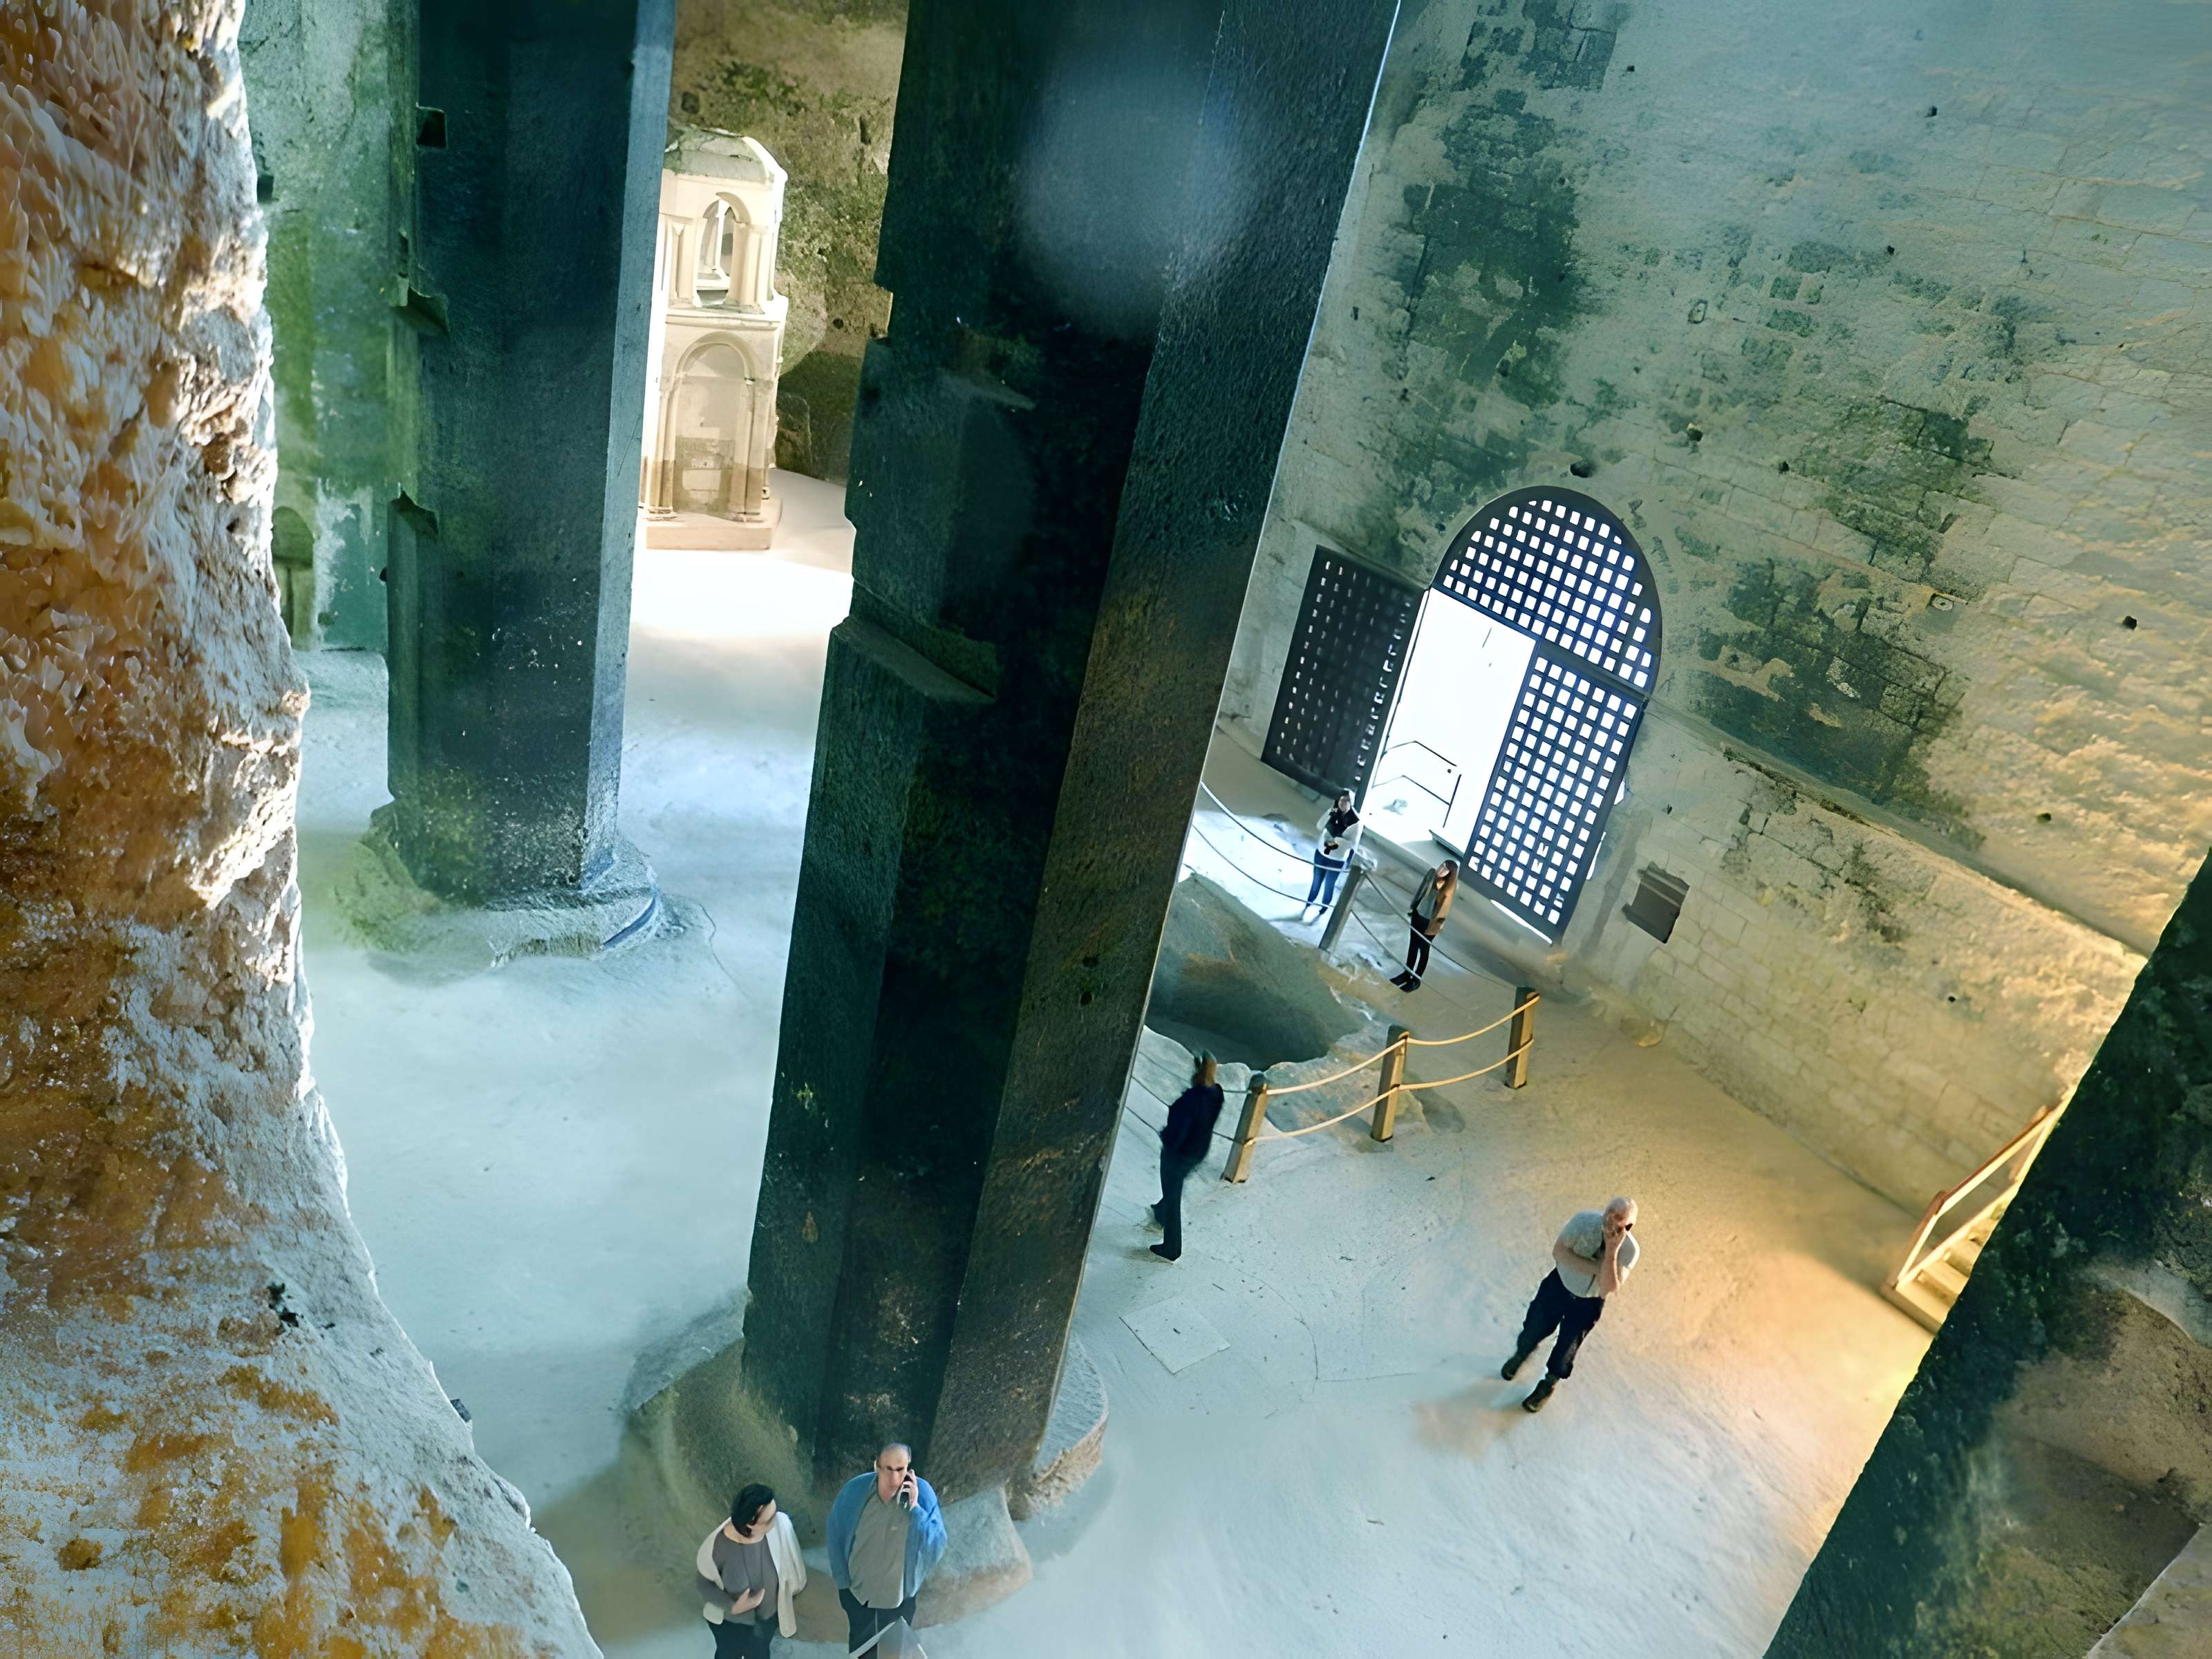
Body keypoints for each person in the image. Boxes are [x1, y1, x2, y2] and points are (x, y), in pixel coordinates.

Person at [1502, 1196, 1640, 1412]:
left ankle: (1549, 1382)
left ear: (1628, 1227)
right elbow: (1559, 1253)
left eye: (1618, 1220)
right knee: (1534, 1325)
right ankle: (1521, 1353)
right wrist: (1598, 1268)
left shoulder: (1629, 1251)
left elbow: (1607, 1288)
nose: (1609, 1222)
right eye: (1608, 1214)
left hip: (1588, 1302)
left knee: (1568, 1346)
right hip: (1559, 1286)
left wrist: (1611, 1253)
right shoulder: (1583, 1221)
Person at [826, 1443, 947, 1655]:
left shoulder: (923, 1493)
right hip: (859, 1596)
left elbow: (936, 1547)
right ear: (877, 1466)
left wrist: (916, 1508)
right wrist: (843, 1584)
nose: (894, 1478)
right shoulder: (855, 1490)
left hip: (899, 1599)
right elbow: (834, 1533)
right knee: (860, 1651)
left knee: (894, 1653)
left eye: (900, 1469)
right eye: (888, 1469)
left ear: (909, 1468)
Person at [694, 1482, 807, 1656]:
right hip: (730, 1625)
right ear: (749, 1524)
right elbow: (703, 1583)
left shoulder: (781, 1523)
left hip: (766, 1621)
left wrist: (789, 1592)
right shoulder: (718, 1546)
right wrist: (732, 1606)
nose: (775, 1521)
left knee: (760, 1653)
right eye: (769, 1520)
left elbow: (794, 1563)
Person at [1149, 1053, 1224, 1263]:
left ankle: (1172, 1247)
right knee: (1174, 1187)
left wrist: (1167, 1139)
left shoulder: (1191, 1100)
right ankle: (1161, 1211)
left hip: (1179, 1154)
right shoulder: (1217, 1095)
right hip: (1198, 1153)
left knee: (1173, 1194)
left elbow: (1178, 1131)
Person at [1391, 859, 1457, 991]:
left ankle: (1416, 979)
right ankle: (1407, 973)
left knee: (1424, 950)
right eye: (1442, 866)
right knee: (1413, 946)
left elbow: (1443, 910)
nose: (1441, 869)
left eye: (1445, 869)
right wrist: (1413, 908)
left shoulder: (1447, 889)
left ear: (1450, 874)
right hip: (1419, 913)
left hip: (1430, 922)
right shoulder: (1432, 875)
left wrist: (1434, 928)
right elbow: (1421, 891)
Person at [1302, 791, 1362, 919]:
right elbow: (1319, 826)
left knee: (1329, 885)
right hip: (1321, 853)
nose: (1343, 803)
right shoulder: (1333, 811)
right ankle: (1307, 905)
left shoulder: (1356, 822)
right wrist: (1330, 814)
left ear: (1351, 802)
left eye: (1346, 800)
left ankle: (1323, 910)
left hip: (1337, 859)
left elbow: (1353, 845)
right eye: (1341, 800)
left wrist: (1339, 840)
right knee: (1316, 882)